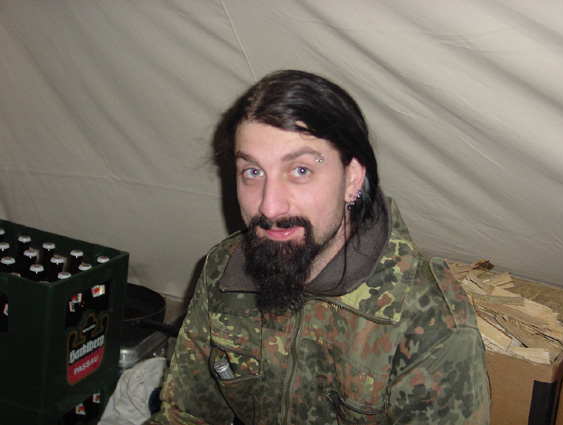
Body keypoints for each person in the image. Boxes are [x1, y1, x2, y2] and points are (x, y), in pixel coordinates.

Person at [145, 70, 491, 425]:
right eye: (253, 172)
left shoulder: (429, 319)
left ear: (352, 179)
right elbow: (186, 415)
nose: (269, 207)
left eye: (300, 170)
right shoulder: (225, 270)